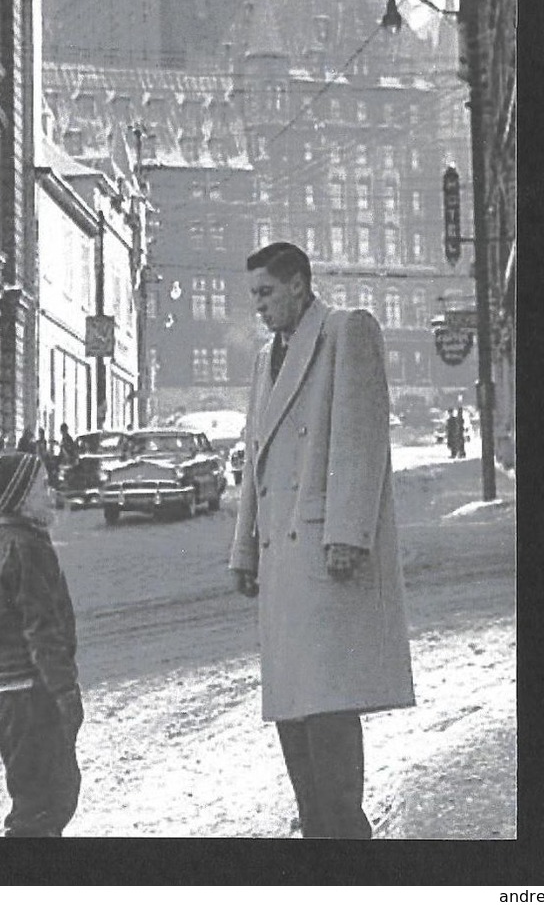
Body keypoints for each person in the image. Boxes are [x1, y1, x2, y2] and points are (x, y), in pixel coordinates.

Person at [229, 242, 414, 839]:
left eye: (265, 293)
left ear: (300, 285)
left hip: (323, 555)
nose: (257, 306)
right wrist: (242, 549)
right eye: (253, 294)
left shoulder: (346, 331)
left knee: (328, 711)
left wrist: (347, 534)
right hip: (281, 560)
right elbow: (255, 456)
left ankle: (343, 845)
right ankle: (320, 840)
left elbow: (361, 438)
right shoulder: (266, 358)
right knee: (293, 717)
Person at [0, 452, 84, 837]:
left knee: (37, 802)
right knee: (46, 805)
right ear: (21, 499)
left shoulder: (5, 540)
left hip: (15, 698)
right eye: (42, 486)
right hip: (35, 696)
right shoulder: (28, 547)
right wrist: (65, 693)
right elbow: (42, 630)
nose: (50, 492)